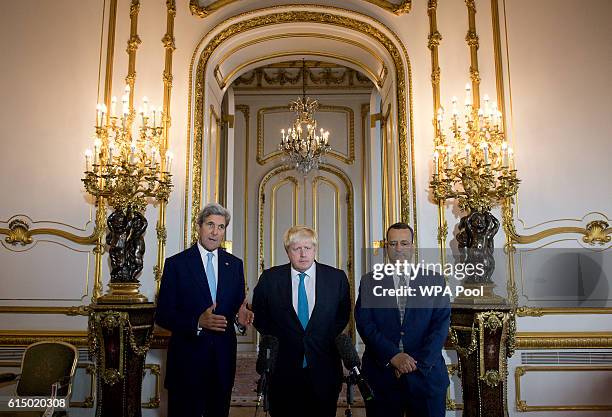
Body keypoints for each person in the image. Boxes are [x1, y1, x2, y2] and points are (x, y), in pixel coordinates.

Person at [156, 203, 254, 417]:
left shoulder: (235, 264)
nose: (215, 232)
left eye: (220, 227)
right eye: (210, 224)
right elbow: (162, 314)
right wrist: (197, 322)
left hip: (222, 361)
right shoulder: (176, 264)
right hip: (186, 361)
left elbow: (238, 306)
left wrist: (241, 317)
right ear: (198, 227)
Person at [251, 225, 351, 417]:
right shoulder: (270, 279)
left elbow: (342, 316)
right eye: (296, 248)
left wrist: (322, 336)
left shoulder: (336, 278)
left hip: (324, 368)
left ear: (315, 249)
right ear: (287, 251)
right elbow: (261, 317)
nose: (303, 254)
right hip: (283, 370)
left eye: (308, 248)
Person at [355, 222, 450, 417]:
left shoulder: (435, 280)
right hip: (381, 377)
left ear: (413, 246)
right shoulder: (369, 281)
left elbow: (440, 325)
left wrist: (416, 365)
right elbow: (365, 324)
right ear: (386, 247)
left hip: (426, 376)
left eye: (404, 243)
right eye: (393, 243)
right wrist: (394, 356)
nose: (399, 249)